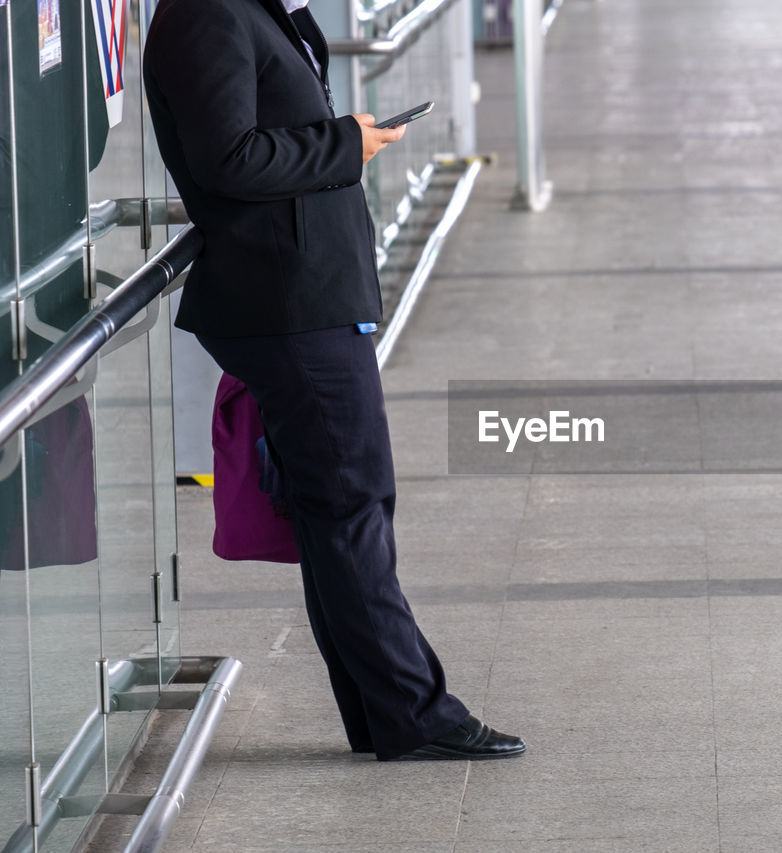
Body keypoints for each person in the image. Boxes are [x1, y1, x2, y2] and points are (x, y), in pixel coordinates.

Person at [142, 0, 524, 761]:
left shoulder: (249, 10)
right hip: (287, 302)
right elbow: (231, 158)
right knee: (351, 503)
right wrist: (347, 143)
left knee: (338, 509)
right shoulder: (206, 14)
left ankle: (385, 711)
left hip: (305, 293)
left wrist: (346, 137)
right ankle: (414, 714)